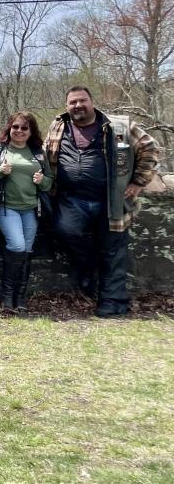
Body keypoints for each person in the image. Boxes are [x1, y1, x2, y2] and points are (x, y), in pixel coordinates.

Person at [45, 86, 158, 317]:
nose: (78, 105)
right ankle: (88, 268)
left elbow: (149, 147)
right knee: (64, 231)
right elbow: (44, 152)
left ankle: (112, 303)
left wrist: (138, 182)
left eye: (82, 100)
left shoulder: (119, 126)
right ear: (66, 106)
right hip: (71, 200)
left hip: (111, 200)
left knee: (113, 250)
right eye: (73, 102)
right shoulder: (58, 125)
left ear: (92, 101)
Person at [0, 111, 53, 312]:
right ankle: (7, 296)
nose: (19, 131)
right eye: (15, 127)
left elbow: (49, 182)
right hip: (5, 207)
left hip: (30, 209)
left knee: (26, 249)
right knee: (17, 245)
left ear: (31, 131)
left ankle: (19, 298)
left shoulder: (38, 152)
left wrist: (42, 180)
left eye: (24, 128)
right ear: (9, 128)